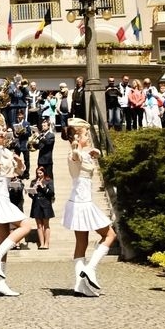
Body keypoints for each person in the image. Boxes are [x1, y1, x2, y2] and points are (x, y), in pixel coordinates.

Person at [0, 114, 34, 296]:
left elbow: (17, 172)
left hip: (4, 192)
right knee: (26, 225)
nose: (1, 132)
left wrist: (20, 163)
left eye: (3, 129)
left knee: (3, 241)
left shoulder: (8, 152)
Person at [63, 118, 118, 297]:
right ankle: (91, 268)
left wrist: (92, 152)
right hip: (82, 202)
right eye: (86, 134)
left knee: (82, 243)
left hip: (81, 201)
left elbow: (83, 156)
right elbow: (75, 156)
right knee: (110, 235)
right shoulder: (75, 153)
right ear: (78, 137)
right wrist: (77, 148)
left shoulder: (84, 152)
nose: (88, 136)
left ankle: (80, 285)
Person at [29, 165, 55, 250]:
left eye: (40, 173)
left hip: (46, 204)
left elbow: (51, 193)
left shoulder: (48, 181)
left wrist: (43, 187)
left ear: (44, 173)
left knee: (46, 224)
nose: (39, 175)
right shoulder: (33, 182)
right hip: (36, 204)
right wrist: (33, 190)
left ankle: (46, 243)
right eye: (37, 173)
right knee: (39, 225)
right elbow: (31, 194)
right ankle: (41, 243)